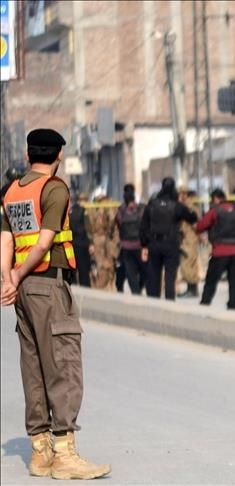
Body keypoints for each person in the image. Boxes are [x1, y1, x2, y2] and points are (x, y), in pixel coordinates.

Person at [0, 128, 111, 480]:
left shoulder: (12, 191)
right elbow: (45, 241)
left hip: (23, 290)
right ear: (58, 156)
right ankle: (64, 453)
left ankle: (40, 452)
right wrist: (17, 276)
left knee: (33, 366)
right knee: (63, 363)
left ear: (27, 155)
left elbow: (5, 239)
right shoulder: (55, 188)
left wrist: (8, 278)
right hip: (48, 283)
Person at [140, 177, 198, 300]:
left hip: (154, 244)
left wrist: (144, 244)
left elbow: (144, 225)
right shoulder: (177, 206)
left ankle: (154, 301)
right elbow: (192, 218)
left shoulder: (152, 204)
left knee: (154, 275)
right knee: (170, 277)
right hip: (171, 244)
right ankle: (169, 302)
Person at [196, 188, 235, 310]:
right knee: (234, 281)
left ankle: (205, 302)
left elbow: (200, 226)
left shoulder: (214, 211)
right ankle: (232, 306)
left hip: (219, 251)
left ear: (215, 199)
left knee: (211, 280)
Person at [115, 183, 146, 294]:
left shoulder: (121, 210)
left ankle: (136, 292)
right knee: (144, 270)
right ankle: (139, 288)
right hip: (139, 245)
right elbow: (144, 224)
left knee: (130, 272)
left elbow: (118, 224)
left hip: (126, 246)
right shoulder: (140, 209)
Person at [87, 194, 117, 290]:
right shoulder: (92, 211)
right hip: (96, 239)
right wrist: (91, 242)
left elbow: (111, 225)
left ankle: (109, 284)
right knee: (99, 264)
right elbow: (89, 227)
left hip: (107, 240)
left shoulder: (109, 210)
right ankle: (98, 285)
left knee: (110, 264)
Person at [177, 187, 202, 298]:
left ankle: (192, 289)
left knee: (187, 265)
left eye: (182, 194)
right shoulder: (184, 207)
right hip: (186, 240)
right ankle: (191, 288)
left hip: (189, 240)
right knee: (188, 265)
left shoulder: (189, 208)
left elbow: (196, 224)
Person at [68, 191, 92, 287]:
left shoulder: (69, 212)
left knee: (73, 269)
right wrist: (90, 243)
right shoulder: (83, 211)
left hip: (72, 244)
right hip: (83, 244)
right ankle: (85, 288)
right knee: (84, 271)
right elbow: (87, 227)